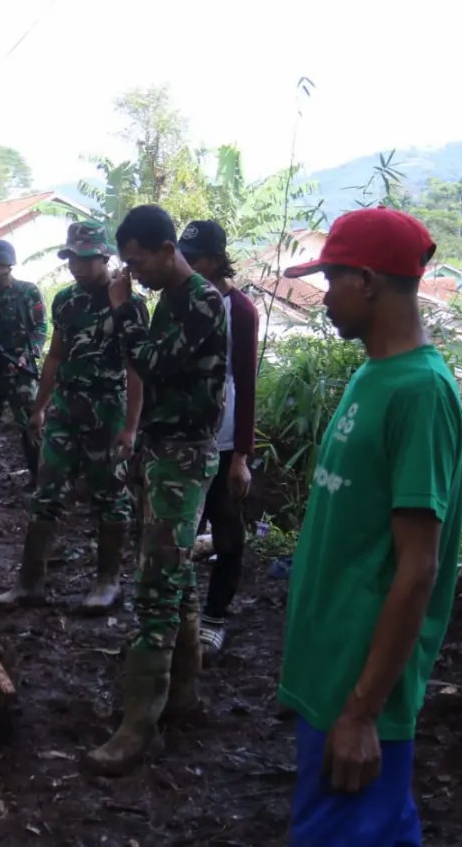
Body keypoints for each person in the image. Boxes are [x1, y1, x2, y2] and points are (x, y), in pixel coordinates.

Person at [277, 207, 462, 847]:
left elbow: (419, 569)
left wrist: (362, 711)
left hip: (359, 689)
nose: (323, 296)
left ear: (367, 281)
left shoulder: (421, 392)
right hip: (328, 667)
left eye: (330, 279)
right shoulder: (372, 374)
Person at [85, 204, 227, 776]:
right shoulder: (169, 300)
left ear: (167, 249)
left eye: (138, 261)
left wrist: (123, 311)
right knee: (177, 577)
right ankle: (184, 700)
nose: (132, 272)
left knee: (155, 586)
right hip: (164, 451)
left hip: (186, 457)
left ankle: (138, 724)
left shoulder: (201, 300)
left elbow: (153, 364)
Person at [0, 220, 143, 610]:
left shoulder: (128, 301)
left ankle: (108, 583)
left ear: (104, 257)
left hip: (107, 411)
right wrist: (39, 407)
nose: (76, 266)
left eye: (85, 259)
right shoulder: (65, 300)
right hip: (66, 407)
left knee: (110, 496)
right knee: (46, 491)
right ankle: (30, 582)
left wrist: (131, 426)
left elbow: (136, 366)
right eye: (70, 258)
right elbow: (56, 355)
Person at [177, 221, 260, 657]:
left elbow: (246, 383)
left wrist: (241, 456)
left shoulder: (239, 310)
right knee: (180, 531)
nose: (188, 266)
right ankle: (182, 613)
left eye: (196, 259)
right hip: (186, 437)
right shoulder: (182, 298)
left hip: (224, 440)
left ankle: (215, 616)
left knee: (228, 534)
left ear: (214, 259)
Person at [0, 239, 46, 490]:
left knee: (29, 421)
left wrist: (29, 353)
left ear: (3, 265)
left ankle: (37, 474)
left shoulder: (28, 292)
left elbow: (40, 328)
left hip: (19, 367)